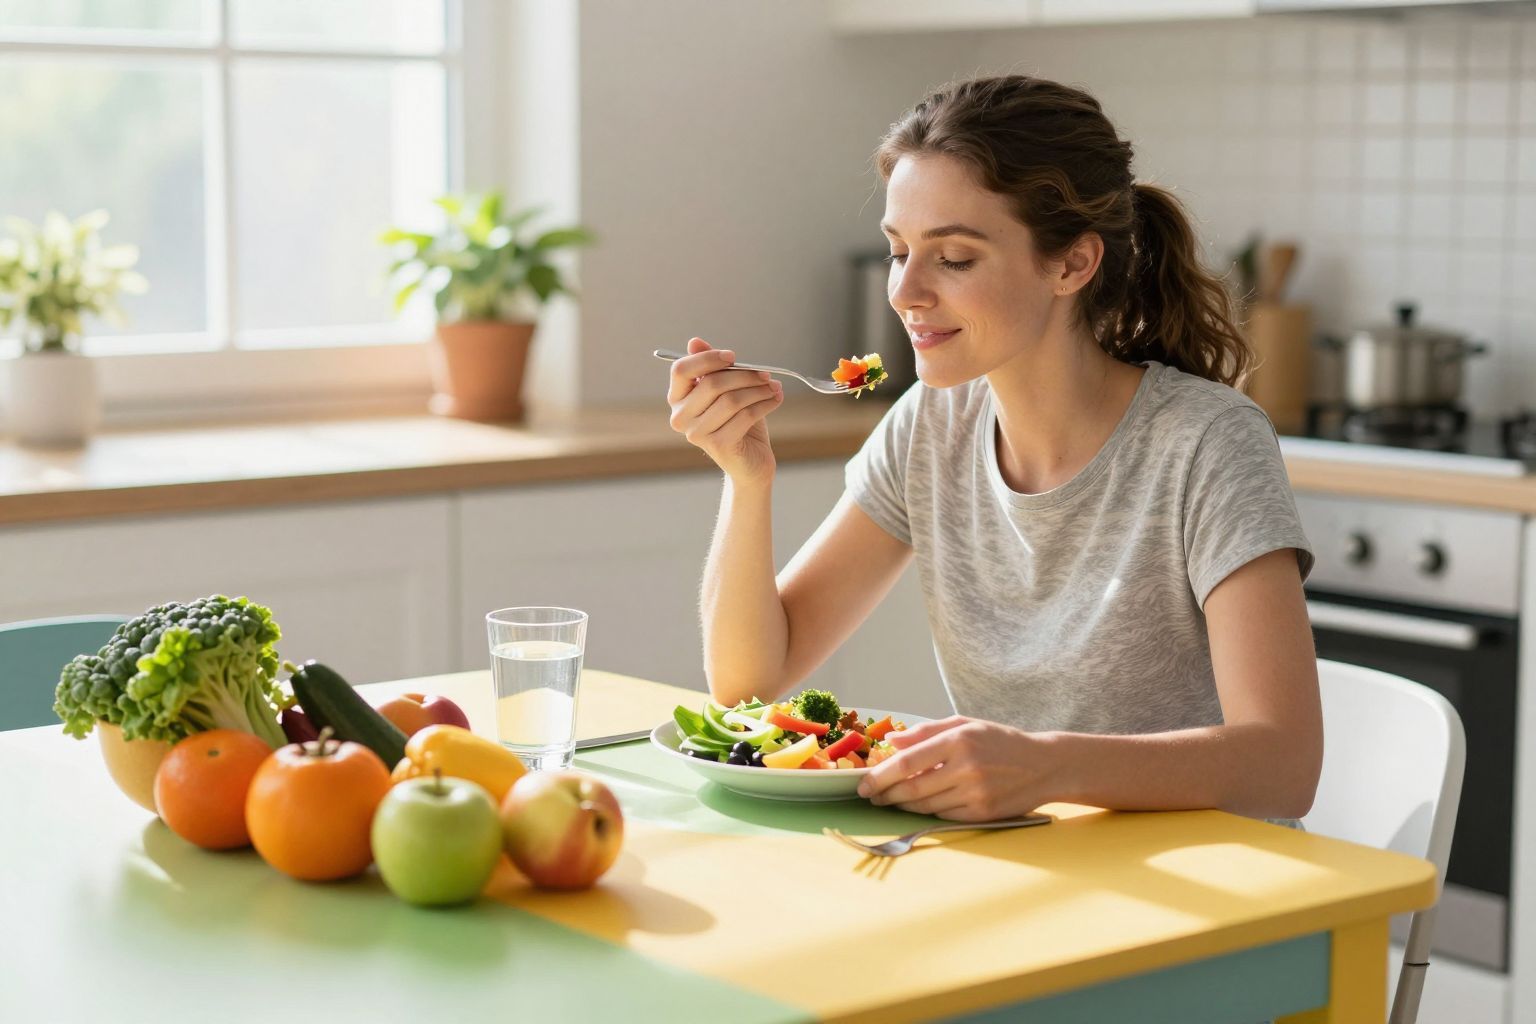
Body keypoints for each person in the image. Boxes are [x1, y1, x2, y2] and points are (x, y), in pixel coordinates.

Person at [663, 74, 1320, 827]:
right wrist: (747, 478)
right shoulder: (931, 425)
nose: (905, 291)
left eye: (954, 259)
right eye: (898, 250)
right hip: (1034, 869)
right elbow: (749, 681)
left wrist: (1046, 765)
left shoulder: (1206, 442)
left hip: (1219, 892)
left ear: (1072, 264)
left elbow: (1283, 767)